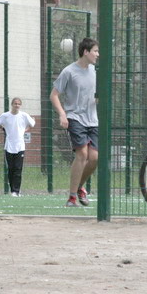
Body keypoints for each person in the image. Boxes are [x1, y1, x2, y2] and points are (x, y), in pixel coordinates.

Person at [50, 37, 99, 207]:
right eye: (95, 51)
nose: (97, 55)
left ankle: (79, 187)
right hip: (75, 117)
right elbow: (54, 95)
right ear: (86, 52)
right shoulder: (69, 71)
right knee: (82, 154)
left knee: (94, 158)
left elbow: (95, 93)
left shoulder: (94, 71)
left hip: (92, 120)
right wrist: (62, 114)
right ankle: (72, 197)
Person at [0, 98, 36, 197]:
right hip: (9, 146)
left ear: (20, 105)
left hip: (20, 146)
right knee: (11, 168)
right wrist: (3, 128)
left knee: (18, 169)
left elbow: (32, 123)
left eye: (19, 104)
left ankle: (16, 191)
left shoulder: (24, 115)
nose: (17, 105)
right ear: (12, 104)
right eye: (15, 104)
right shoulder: (5, 116)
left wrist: (26, 129)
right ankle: (12, 190)